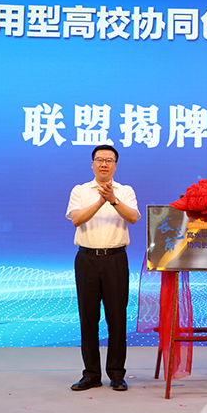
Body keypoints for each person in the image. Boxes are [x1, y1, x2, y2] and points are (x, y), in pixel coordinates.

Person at [66, 145, 140, 391]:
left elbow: (132, 217)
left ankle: (117, 374)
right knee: (88, 318)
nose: (104, 164)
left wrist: (113, 199)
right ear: (92, 164)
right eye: (99, 159)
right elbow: (76, 219)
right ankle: (91, 375)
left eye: (109, 160)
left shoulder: (125, 190)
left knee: (117, 317)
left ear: (116, 165)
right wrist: (101, 200)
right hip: (86, 259)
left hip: (115, 259)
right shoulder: (80, 190)